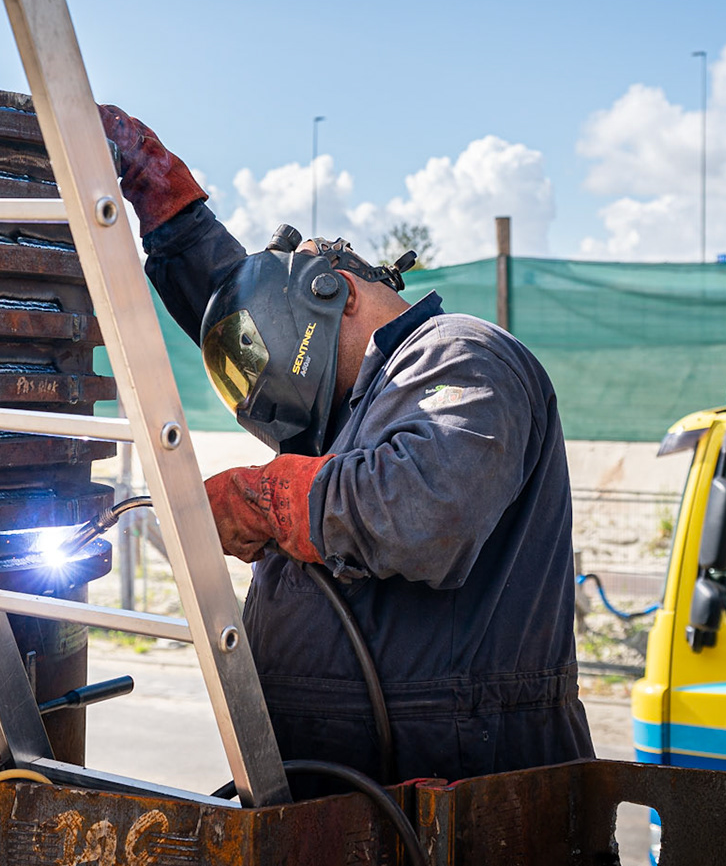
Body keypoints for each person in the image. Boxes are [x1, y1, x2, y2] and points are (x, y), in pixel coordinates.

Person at [99, 104, 594, 785]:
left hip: (464, 786)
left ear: (338, 291)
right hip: (343, 783)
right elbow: (245, 305)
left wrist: (262, 500)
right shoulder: (347, 410)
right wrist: (157, 193)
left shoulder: (462, 357)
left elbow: (431, 508)